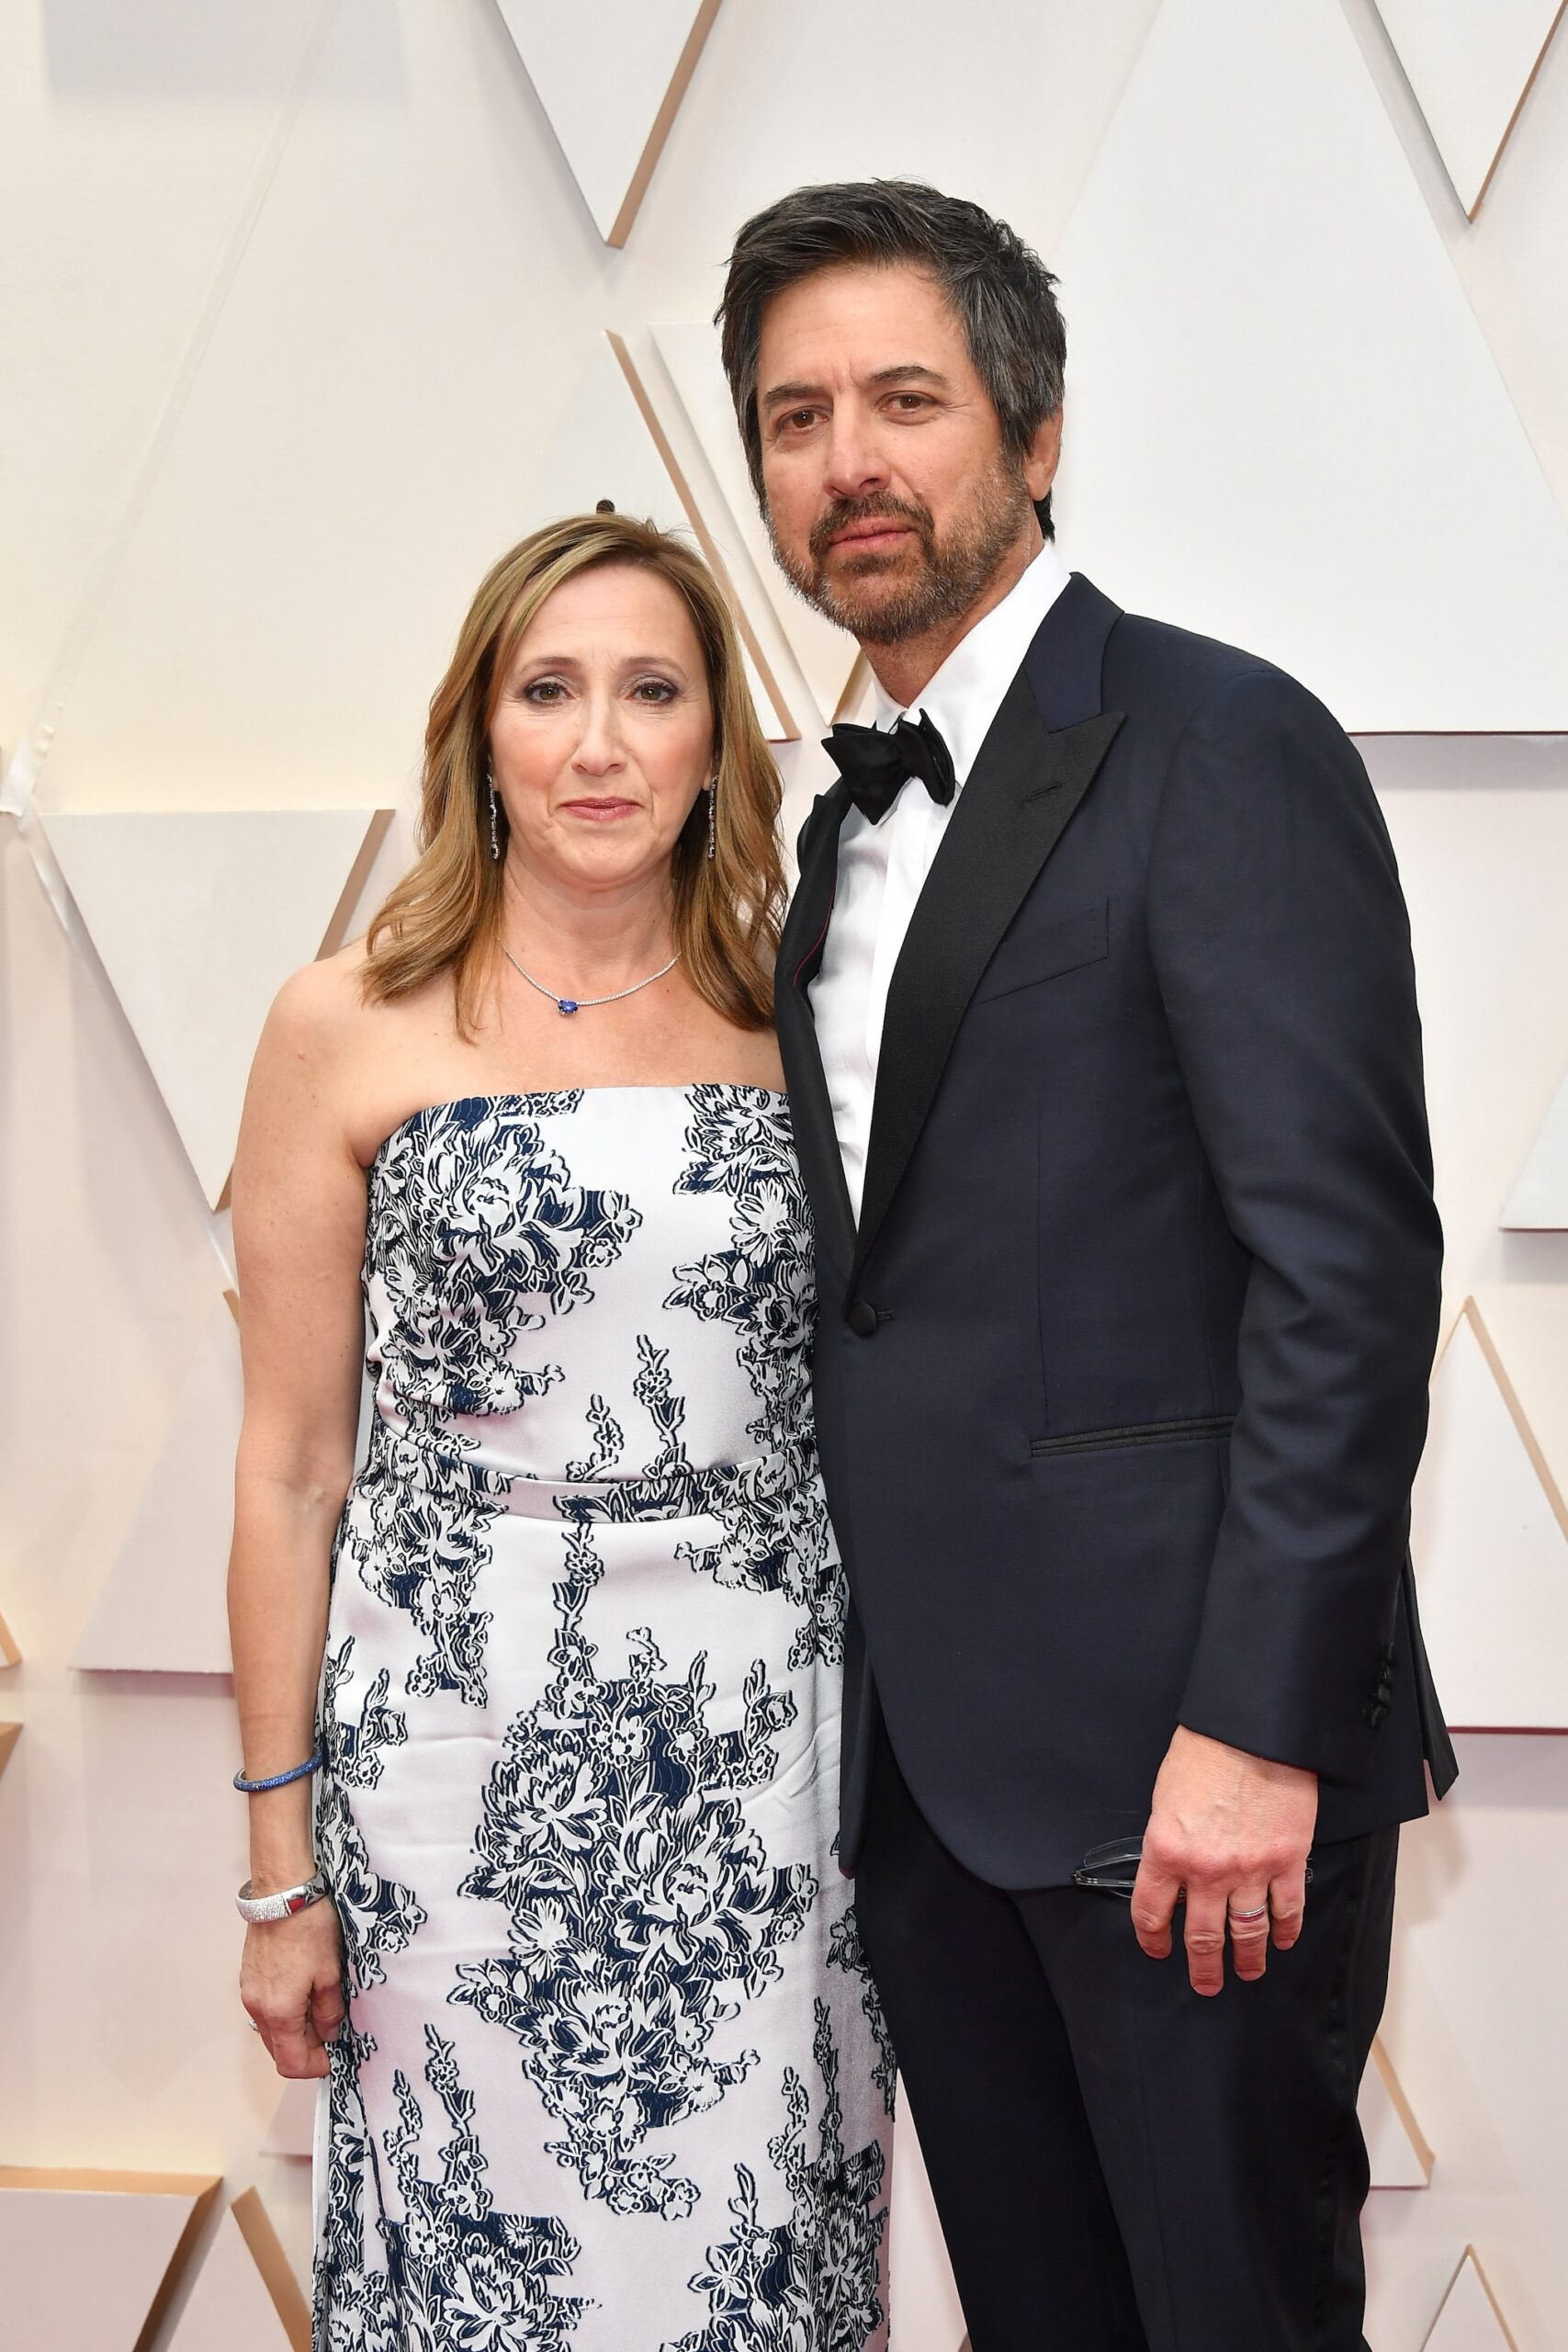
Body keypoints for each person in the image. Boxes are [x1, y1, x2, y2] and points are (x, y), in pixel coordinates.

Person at [716, 181, 1457, 2352]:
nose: (846, 458)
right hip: (932, 1794)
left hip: (1184, 1777)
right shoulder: (829, 833)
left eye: (902, 400)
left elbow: (1340, 1274)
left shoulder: (1214, 740)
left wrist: (1249, 1725)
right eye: (792, 416)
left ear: (1032, 435)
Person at [226, 512, 894, 2351]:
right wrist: (278, 1872)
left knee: (750, 2266)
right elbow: (290, 1470)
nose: (599, 744)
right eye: (549, 691)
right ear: (478, 734)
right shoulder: (342, 1023)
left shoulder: (807, 1025)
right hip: (447, 1777)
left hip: (762, 1777)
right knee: (478, 2272)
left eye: (651, 691)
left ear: (714, 740)